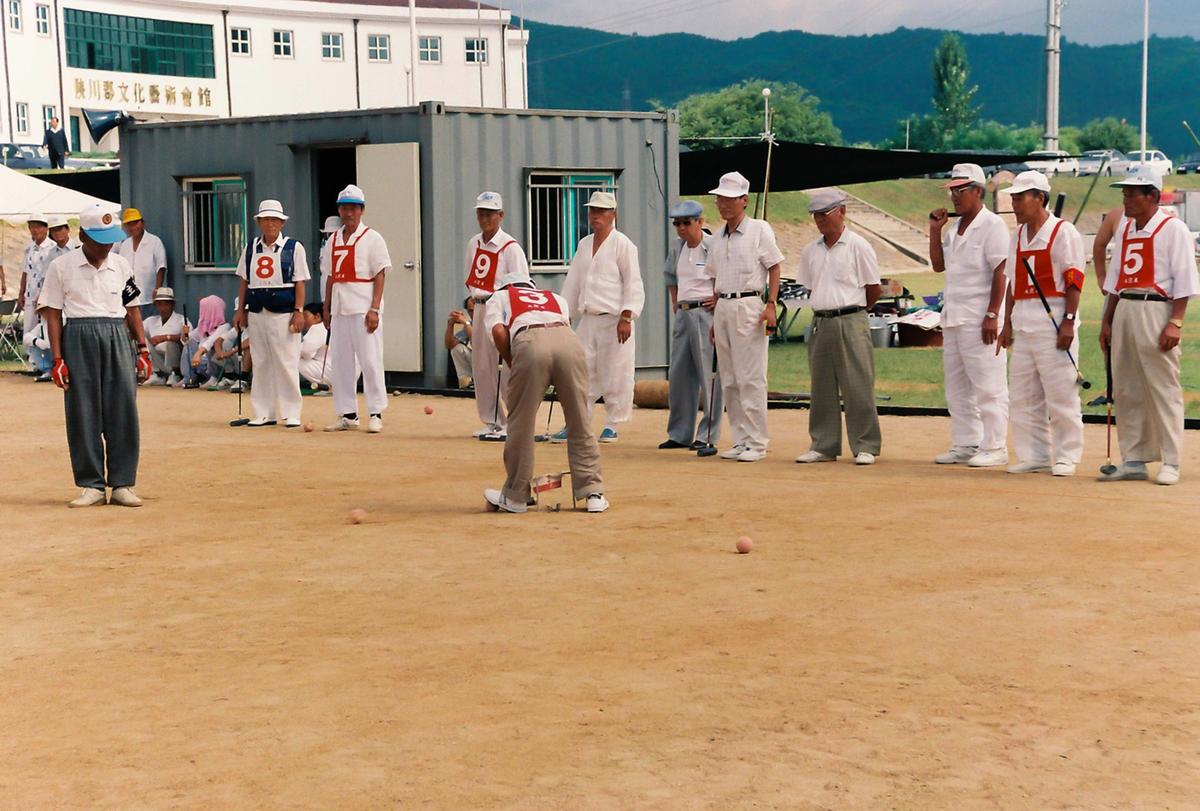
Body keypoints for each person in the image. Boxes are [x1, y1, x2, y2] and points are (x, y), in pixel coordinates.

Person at [37, 203, 152, 508]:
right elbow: (53, 315)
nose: (106, 247)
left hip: (116, 335)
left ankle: (122, 483)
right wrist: (58, 360)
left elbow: (133, 308)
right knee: (83, 412)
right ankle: (92, 485)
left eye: (110, 240)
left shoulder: (120, 265)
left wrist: (142, 348)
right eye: (100, 241)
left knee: (123, 411)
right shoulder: (61, 267)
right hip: (78, 335)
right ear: (83, 235)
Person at [1098, 169, 1199, 485]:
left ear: (1152, 195)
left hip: (1156, 308)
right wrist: (1107, 320)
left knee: (1162, 386)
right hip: (1126, 306)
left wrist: (1175, 322)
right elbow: (1115, 280)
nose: (1125, 199)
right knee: (1127, 386)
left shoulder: (1174, 229)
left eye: (1132, 193)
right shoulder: (1126, 229)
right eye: (1124, 193)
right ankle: (1135, 458)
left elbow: (1184, 280)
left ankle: (1171, 460)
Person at [483, 280, 608, 514]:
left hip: (529, 342)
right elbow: (566, 323)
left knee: (521, 421)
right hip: (568, 340)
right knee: (579, 418)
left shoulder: (499, 297)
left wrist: (514, 363)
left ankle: (516, 496)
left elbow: (499, 331)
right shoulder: (552, 296)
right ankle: (593, 492)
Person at [999, 171, 1086, 477]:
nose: (1015, 204)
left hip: (1054, 321)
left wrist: (1069, 322)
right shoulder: (1017, 236)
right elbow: (1012, 282)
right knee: (1023, 396)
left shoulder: (1064, 232)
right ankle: (1033, 453)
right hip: (1023, 322)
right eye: (1013, 198)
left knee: (1061, 394)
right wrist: (1006, 323)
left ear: (1039, 198)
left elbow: (1074, 279)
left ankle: (1066, 454)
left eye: (1020, 197)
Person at [928, 163, 1011, 467]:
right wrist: (935, 231)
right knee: (958, 386)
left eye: (961, 190)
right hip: (954, 316)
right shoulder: (954, 230)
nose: (954, 196)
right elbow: (939, 266)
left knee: (989, 385)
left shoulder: (992, 226)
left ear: (978, 191)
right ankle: (965, 442)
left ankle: (996, 445)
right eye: (952, 190)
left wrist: (993, 313)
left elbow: (1002, 270)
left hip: (980, 316)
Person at [795, 189, 883, 465]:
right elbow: (810, 286)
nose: (820, 220)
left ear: (842, 212)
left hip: (851, 317)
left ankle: (865, 444)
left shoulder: (859, 245)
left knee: (858, 384)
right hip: (821, 320)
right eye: (816, 216)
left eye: (825, 214)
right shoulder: (811, 251)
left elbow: (874, 288)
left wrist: (856, 312)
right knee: (821, 386)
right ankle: (823, 444)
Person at [705, 171, 784, 462]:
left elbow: (774, 266)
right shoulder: (716, 237)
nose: (722, 204)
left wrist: (771, 304)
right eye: (719, 199)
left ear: (744, 200)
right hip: (724, 306)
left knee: (750, 376)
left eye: (728, 199)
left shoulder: (759, 229)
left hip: (749, 304)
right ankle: (740, 439)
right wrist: (714, 318)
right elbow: (714, 280)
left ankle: (757, 441)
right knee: (729, 378)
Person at [556, 190, 645, 444]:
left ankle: (612, 423)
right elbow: (573, 283)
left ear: (612, 214)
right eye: (592, 210)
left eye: (601, 211)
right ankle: (577, 422)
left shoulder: (623, 244)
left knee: (616, 371)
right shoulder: (584, 244)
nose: (595, 215)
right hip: (589, 317)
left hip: (615, 319)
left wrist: (627, 316)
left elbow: (633, 283)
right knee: (581, 371)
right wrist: (564, 315)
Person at [320, 184, 391, 433]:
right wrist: (326, 307)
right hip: (340, 307)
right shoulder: (333, 240)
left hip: (363, 307)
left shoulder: (373, 238)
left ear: (361, 210)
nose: (348, 213)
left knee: (370, 360)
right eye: (344, 208)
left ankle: (375, 411)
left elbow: (380, 274)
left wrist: (375, 309)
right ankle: (347, 413)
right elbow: (329, 275)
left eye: (353, 208)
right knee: (341, 362)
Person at [233, 200, 309, 428]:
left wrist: (299, 311)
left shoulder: (294, 247)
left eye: (274, 219)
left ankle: (291, 411)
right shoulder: (251, 247)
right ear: (259, 222)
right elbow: (244, 281)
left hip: (283, 312)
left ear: (281, 222)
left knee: (286, 361)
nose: (270, 224)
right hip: (257, 311)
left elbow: (300, 282)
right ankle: (263, 412)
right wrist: (241, 310)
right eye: (266, 219)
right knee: (261, 361)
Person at [463, 191, 531, 439]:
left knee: (506, 366)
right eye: (481, 213)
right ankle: (492, 420)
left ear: (500, 215)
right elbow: (470, 276)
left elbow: (521, 283)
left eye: (490, 213)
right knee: (482, 365)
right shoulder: (474, 243)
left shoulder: (510, 247)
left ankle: (514, 420)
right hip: (480, 306)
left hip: (501, 308)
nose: (485, 218)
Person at [660, 200, 722, 450]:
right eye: (677, 224)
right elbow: (670, 276)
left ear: (700, 222)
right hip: (684, 312)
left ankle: (707, 433)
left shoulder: (712, 246)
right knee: (679, 374)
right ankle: (679, 432)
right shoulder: (677, 248)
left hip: (704, 312)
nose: (682, 229)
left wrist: (717, 298)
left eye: (687, 223)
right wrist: (675, 302)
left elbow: (725, 274)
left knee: (708, 375)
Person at [20, 213, 73, 380]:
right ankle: (41, 365)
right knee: (32, 330)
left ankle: (64, 365)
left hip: (68, 299)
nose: (34, 230)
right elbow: (40, 275)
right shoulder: (47, 251)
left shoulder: (77, 249)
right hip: (39, 296)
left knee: (63, 331)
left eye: (37, 226)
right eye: (31, 226)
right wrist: (23, 293)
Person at [115, 208, 168, 314]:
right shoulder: (124, 244)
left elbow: (161, 267)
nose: (133, 227)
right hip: (129, 297)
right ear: (125, 227)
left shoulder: (154, 242)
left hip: (149, 297)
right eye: (129, 224)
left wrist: (157, 289)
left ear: (142, 223)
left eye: (135, 223)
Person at [141, 287, 190, 386]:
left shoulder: (181, 320)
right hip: (158, 361)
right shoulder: (150, 321)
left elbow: (188, 339)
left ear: (172, 305)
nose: (163, 308)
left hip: (176, 362)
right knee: (142, 338)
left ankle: (175, 375)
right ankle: (158, 375)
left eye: (166, 304)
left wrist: (166, 337)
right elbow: (137, 330)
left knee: (170, 343)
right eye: (159, 304)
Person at [181, 294, 229, 388]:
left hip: (215, 365)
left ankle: (214, 377)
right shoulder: (203, 327)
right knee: (190, 343)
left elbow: (210, 342)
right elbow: (187, 340)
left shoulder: (224, 327)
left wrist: (198, 353)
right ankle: (189, 378)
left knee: (213, 347)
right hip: (200, 363)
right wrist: (184, 334)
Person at [1091, 205, 1125, 293]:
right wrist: (1101, 277)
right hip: (1118, 284)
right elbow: (1099, 244)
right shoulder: (1117, 214)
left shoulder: (1163, 216)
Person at [299, 302, 332, 391]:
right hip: (347, 375)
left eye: (305, 317)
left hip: (331, 373)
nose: (303, 321)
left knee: (291, 360)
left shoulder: (318, 327)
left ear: (317, 316)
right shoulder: (332, 326)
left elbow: (306, 352)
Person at [444, 298, 474, 389]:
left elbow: (476, 341)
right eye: (471, 311)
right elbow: (449, 345)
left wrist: (465, 322)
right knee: (457, 348)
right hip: (477, 364)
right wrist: (450, 324)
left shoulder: (490, 321)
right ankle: (466, 383)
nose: (474, 313)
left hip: (493, 364)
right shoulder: (470, 324)